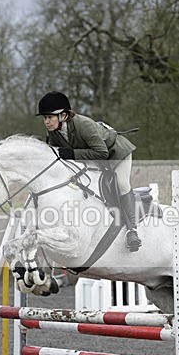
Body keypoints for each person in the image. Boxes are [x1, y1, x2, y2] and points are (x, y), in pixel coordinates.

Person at [37, 91, 142, 252]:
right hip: (94, 158)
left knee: (121, 184)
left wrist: (72, 154)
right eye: (45, 118)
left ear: (63, 116)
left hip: (116, 154)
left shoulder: (84, 125)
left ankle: (132, 230)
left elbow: (102, 153)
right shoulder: (53, 132)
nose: (46, 121)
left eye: (50, 117)